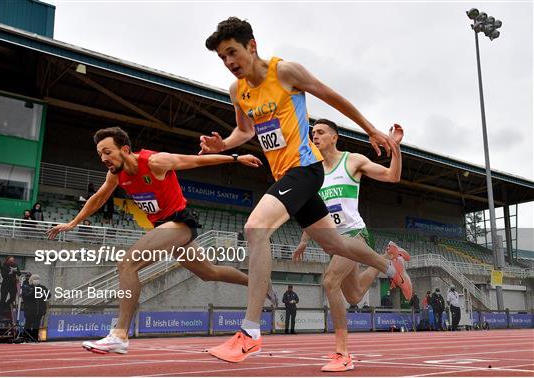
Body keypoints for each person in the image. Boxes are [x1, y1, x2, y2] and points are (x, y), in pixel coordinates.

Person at [202, 17, 411, 363]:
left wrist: (371, 130)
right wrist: (222, 144)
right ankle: (390, 269)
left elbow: (331, 96)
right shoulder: (237, 91)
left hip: (304, 170)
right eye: (223, 57)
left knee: (255, 229)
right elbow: (245, 132)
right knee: (335, 244)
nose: (229, 62)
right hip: (286, 175)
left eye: (232, 52)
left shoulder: (284, 72)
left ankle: (250, 331)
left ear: (251, 46)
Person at [47, 126, 277, 354]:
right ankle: (259, 283)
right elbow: (98, 198)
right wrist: (73, 223)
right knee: (209, 272)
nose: (103, 158)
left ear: (125, 149)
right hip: (163, 228)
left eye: (107, 152)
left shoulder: (156, 162)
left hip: (180, 223)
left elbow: (195, 162)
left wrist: (236, 157)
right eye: (99, 154)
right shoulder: (116, 174)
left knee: (127, 264)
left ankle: (119, 335)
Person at [291, 120, 409, 371]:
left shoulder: (352, 161)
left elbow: (393, 176)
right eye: (313, 133)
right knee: (354, 296)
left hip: (356, 235)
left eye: (321, 132)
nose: (316, 136)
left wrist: (395, 149)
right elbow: (314, 212)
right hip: (334, 242)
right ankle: (388, 258)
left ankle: (342, 353)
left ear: (334, 137)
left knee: (330, 282)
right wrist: (303, 241)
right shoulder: (314, 172)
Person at [21, 274, 50, 342]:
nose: (36, 280)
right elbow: (26, 296)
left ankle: (34, 338)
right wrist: (35, 290)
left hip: (39, 310)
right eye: (35, 279)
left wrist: (42, 293)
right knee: (28, 323)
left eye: (37, 279)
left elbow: (48, 295)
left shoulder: (42, 287)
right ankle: (26, 337)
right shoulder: (27, 287)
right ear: (31, 280)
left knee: (36, 324)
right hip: (30, 310)